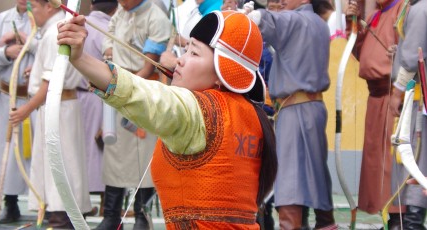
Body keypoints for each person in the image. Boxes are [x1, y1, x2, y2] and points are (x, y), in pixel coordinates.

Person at [58, 10, 277, 229]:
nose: (180, 61)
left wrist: (80, 58)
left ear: (223, 73)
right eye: (186, 50)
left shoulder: (198, 110)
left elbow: (143, 94)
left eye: (194, 53)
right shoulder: (252, 115)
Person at [246, 0, 334, 228]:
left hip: (295, 111)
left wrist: (245, 14)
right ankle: (322, 223)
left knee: (290, 181)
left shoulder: (295, 19)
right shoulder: (318, 23)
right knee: (315, 178)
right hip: (311, 109)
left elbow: (263, 19)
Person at [8, 0, 91, 228]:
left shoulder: (55, 31)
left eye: (34, 7)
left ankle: (62, 214)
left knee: (61, 160)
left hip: (59, 106)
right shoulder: (52, 31)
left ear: (50, 6)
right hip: (57, 106)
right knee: (59, 159)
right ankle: (59, 212)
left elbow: (51, 82)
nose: (31, 12)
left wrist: (26, 109)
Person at [97, 0, 171, 229]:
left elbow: (149, 65)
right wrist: (109, 51)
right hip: (118, 86)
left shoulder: (156, 17)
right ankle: (111, 216)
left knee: (145, 162)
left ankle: (142, 216)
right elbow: (108, 36)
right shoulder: (120, 12)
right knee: (114, 157)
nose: (120, 1)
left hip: (143, 92)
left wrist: (126, 86)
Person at [346, 0, 405, 227]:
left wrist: (399, 53)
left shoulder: (402, 10)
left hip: (393, 97)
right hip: (376, 98)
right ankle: (387, 215)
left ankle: (399, 217)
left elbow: (410, 49)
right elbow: (360, 51)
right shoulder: (375, 16)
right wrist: (352, 20)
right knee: (377, 164)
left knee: (392, 162)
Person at [0, 0, 37, 223]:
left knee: (39, 150)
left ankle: (48, 205)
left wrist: (29, 44)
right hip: (10, 97)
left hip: (36, 98)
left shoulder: (46, 18)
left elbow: (53, 48)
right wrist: (6, 51)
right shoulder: (4, 19)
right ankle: (10, 203)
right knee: (9, 151)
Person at [78, 0, 118, 217]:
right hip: (98, 94)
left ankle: (83, 202)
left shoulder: (78, 24)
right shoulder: (108, 29)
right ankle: (105, 204)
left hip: (77, 95)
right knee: (103, 150)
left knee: (81, 151)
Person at [389, 0, 427, 227]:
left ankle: (412, 221)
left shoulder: (422, 9)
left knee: (417, 160)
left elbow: (413, 58)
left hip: (420, 101)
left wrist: (396, 93)